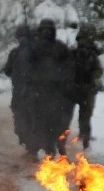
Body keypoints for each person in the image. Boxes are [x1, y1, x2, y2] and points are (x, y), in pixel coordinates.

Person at [27, 18, 75, 157]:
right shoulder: (34, 48)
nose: (47, 32)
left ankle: (55, 148)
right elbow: (27, 68)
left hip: (56, 93)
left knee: (56, 123)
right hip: (39, 92)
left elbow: (69, 66)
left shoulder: (60, 47)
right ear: (40, 32)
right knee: (38, 123)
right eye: (44, 30)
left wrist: (65, 83)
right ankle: (36, 150)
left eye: (49, 30)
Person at [4, 24, 35, 154]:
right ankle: (26, 148)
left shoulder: (35, 53)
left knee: (31, 123)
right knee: (20, 124)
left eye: (25, 37)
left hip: (32, 94)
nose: (23, 40)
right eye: (21, 37)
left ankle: (32, 150)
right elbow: (7, 71)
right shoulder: (14, 54)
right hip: (19, 94)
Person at [73, 26, 103, 149]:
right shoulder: (76, 54)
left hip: (86, 88)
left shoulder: (91, 55)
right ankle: (84, 136)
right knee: (85, 114)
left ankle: (85, 136)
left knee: (85, 115)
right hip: (79, 88)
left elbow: (98, 70)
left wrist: (92, 77)